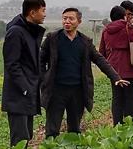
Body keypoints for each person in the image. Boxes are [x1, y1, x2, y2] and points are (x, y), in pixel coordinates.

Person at [41, 8, 128, 136]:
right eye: (64, 18)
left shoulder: (85, 42)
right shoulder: (52, 39)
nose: (67, 21)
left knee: (75, 129)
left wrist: (115, 77)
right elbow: (40, 60)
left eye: (71, 18)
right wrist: (43, 79)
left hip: (77, 90)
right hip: (56, 90)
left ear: (79, 21)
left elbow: (100, 59)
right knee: (52, 129)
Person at [2, 0, 46, 148]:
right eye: (43, 10)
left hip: (28, 92)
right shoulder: (16, 32)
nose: (45, 14)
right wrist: (25, 88)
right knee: (20, 140)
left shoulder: (30, 31)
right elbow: (11, 64)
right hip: (19, 95)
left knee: (27, 136)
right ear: (32, 13)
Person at [99, 5, 133, 124]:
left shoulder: (106, 30)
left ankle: (117, 125)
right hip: (129, 68)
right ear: (124, 16)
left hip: (113, 70)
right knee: (131, 99)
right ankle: (132, 125)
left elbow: (101, 52)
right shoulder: (128, 27)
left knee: (117, 98)